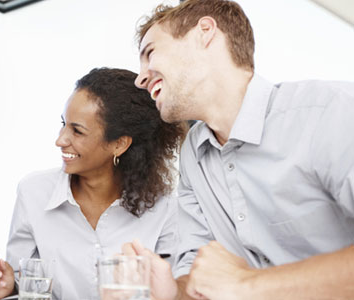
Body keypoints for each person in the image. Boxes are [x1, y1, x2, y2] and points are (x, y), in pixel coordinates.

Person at [124, 0, 354, 299]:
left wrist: (248, 285)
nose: (140, 79)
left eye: (150, 53)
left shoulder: (330, 111)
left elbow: (235, 286)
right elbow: (203, 281)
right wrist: (172, 292)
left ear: (204, 32)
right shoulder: (194, 156)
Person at [0, 68, 186, 300]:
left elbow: (173, 290)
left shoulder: (165, 207)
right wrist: (8, 287)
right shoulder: (33, 192)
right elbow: (25, 284)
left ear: (119, 144)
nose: (60, 140)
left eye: (77, 131)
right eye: (63, 124)